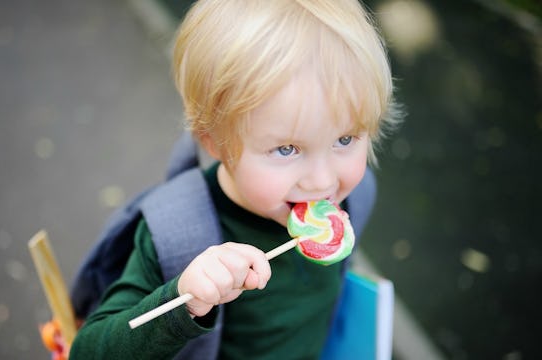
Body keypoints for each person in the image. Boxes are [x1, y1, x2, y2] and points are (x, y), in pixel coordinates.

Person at [69, 0, 401, 358]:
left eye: (345, 139)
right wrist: (183, 299)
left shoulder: (355, 195)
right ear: (214, 141)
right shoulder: (176, 236)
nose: (323, 182)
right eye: (287, 149)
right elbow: (87, 352)